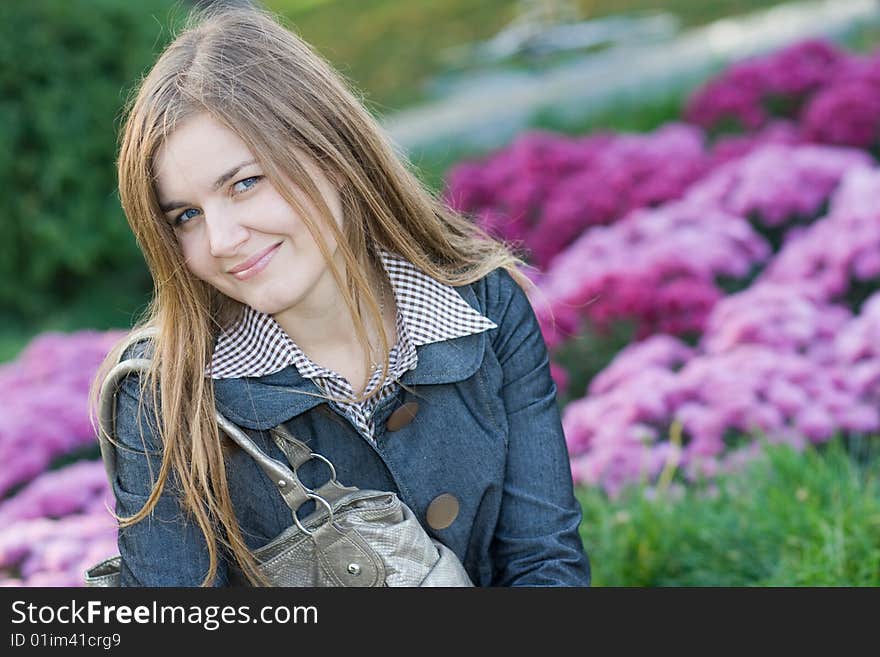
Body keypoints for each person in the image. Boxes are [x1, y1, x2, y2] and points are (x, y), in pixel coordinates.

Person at [89, 5, 591, 587]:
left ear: (332, 156)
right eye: (185, 215)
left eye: (245, 183)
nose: (222, 240)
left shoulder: (484, 305)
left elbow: (544, 564)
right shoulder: (166, 394)